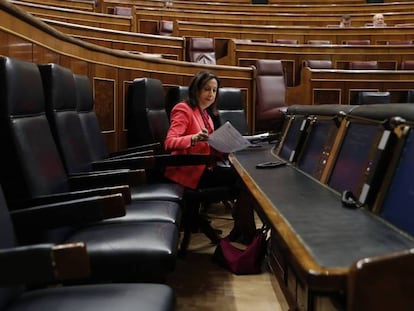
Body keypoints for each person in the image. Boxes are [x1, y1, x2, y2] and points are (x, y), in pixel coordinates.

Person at [164, 71, 256, 243]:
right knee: (244, 180)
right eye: (207, 89)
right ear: (196, 90)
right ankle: (244, 230)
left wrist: (229, 147)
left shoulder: (206, 115)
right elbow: (169, 142)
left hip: (205, 168)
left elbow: (210, 146)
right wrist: (193, 138)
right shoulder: (183, 109)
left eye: (214, 91)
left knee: (245, 178)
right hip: (189, 172)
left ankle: (242, 229)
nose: (211, 94)